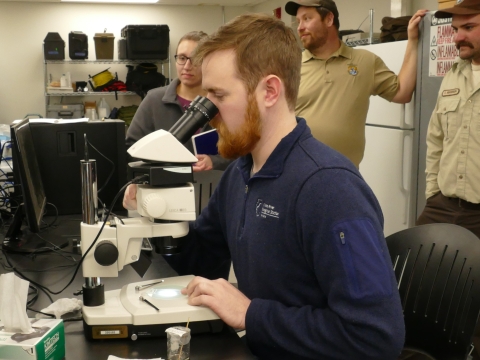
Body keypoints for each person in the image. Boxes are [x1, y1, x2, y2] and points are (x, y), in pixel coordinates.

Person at [124, 13, 405, 359]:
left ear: (269, 91)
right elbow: (200, 262)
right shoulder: (241, 173)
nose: (208, 112)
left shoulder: (329, 189)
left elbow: (376, 337)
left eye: (218, 96)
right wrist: (159, 213)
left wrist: (250, 313)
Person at [284, 0, 427, 167]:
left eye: (307, 18)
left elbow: (402, 92)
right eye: (298, 21)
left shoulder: (365, 61)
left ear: (329, 19)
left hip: (344, 177)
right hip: (297, 172)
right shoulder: (290, 66)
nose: (300, 27)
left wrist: (413, 40)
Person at [416, 0, 480, 240]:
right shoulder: (453, 75)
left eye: (469, 27)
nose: (456, 38)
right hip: (442, 206)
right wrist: (433, 193)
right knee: (413, 272)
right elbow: (436, 139)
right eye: (455, 29)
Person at [125, 31, 230, 172]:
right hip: (165, 188)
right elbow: (132, 148)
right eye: (182, 58)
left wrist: (215, 162)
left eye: (195, 59)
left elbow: (243, 152)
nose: (187, 66)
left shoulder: (223, 103)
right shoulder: (154, 100)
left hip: (212, 188)